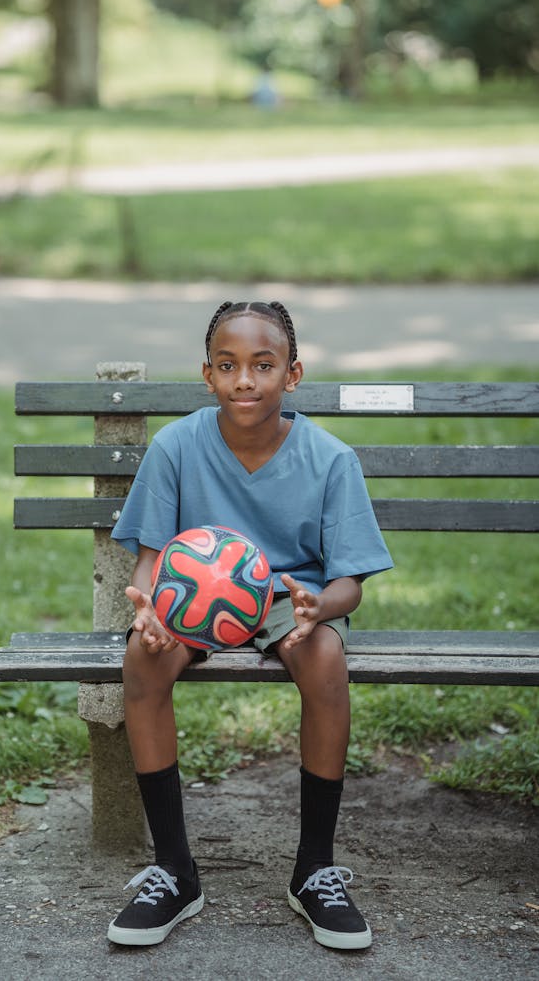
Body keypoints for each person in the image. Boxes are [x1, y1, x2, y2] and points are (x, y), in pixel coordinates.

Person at [107, 299, 393, 951]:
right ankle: (174, 871)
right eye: (229, 365)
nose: (245, 380)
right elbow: (152, 559)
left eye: (263, 365)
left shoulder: (329, 457)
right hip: (193, 597)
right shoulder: (176, 445)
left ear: (292, 374)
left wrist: (320, 606)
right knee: (142, 659)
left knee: (324, 657)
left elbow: (349, 580)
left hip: (286, 598)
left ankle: (315, 868)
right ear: (207, 374)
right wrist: (146, 607)